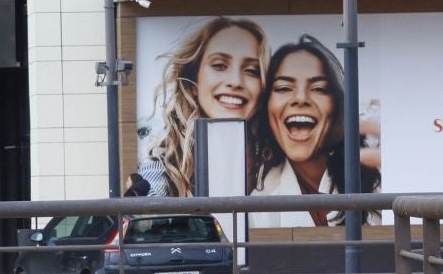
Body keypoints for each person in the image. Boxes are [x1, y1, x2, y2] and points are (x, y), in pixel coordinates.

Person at [247, 35, 381, 228]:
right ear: (267, 107)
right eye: (284, 88)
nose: (300, 98)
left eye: (319, 88)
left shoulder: (374, 175)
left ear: (337, 106)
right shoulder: (260, 200)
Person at [128, 17, 266, 199]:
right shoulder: (166, 159)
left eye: (251, 70)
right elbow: (150, 202)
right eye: (219, 65)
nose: (235, 81)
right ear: (194, 82)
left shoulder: (274, 159)